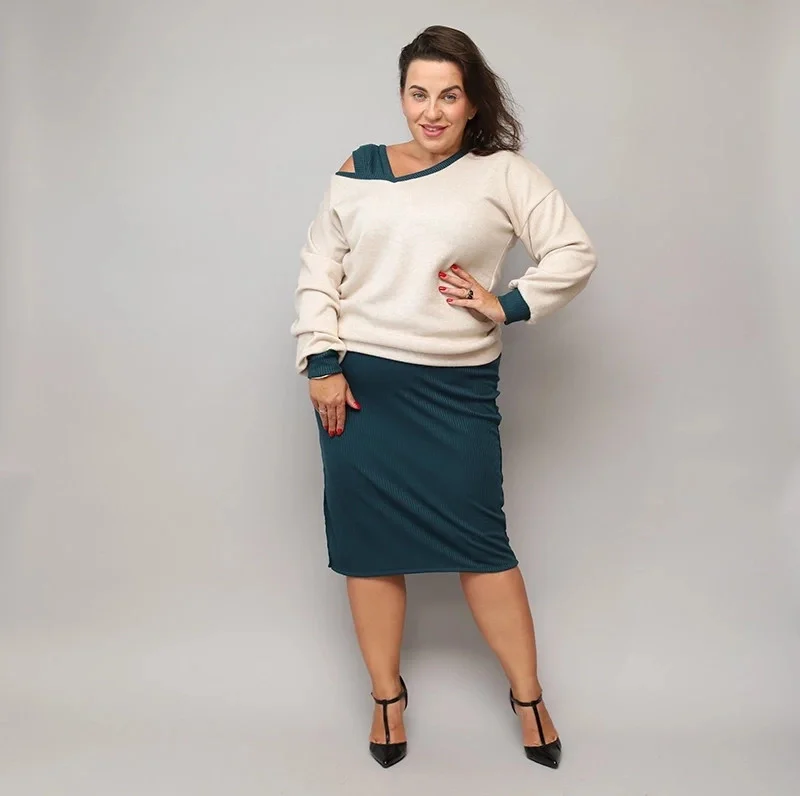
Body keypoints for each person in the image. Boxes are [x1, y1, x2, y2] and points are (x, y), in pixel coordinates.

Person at [290, 24, 597, 770]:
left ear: (472, 102)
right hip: (359, 390)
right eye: (418, 93)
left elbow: (573, 251)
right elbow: (319, 269)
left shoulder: (504, 174)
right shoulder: (359, 168)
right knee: (368, 551)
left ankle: (528, 697)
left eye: (449, 96)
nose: (431, 111)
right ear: (401, 95)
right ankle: (386, 698)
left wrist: (506, 304)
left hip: (455, 391)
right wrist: (320, 362)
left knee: (483, 549)